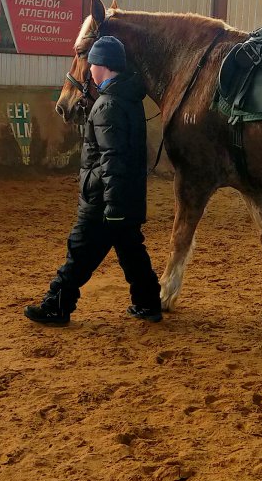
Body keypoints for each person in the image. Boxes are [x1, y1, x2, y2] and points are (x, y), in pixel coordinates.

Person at [25, 35, 163, 326]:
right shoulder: (129, 100)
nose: (89, 70)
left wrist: (111, 204)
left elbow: (112, 159)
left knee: (79, 252)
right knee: (131, 250)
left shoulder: (107, 105)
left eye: (92, 64)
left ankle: (56, 306)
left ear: (104, 66)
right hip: (125, 196)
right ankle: (148, 302)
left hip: (102, 200)